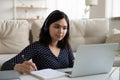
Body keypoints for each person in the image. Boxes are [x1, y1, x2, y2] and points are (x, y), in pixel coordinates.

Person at [1, 10, 74, 74]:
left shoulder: (66, 47)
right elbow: (5, 66)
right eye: (57, 27)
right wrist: (17, 67)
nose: (61, 31)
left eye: (64, 28)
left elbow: (73, 66)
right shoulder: (37, 47)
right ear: (47, 27)